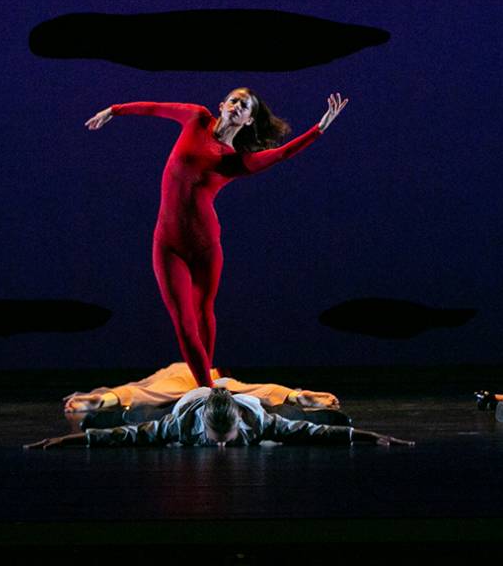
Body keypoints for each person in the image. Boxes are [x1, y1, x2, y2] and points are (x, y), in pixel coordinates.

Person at [85, 88, 347, 388]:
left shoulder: (235, 161)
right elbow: (155, 107)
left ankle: (205, 387)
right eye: (233, 100)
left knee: (203, 311)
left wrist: (320, 128)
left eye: (244, 105)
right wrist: (114, 109)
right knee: (183, 323)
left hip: (205, 247)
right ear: (221, 106)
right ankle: (207, 390)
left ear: (249, 120)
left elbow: (282, 153)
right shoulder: (196, 117)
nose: (237, 105)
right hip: (168, 245)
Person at [26, 385, 412, 449]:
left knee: (332, 421)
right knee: (142, 406)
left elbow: (312, 432)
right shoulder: (179, 424)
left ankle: (296, 395)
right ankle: (107, 401)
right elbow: (124, 436)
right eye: (215, 439)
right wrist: (66, 440)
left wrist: (372, 435)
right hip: (185, 397)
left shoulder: (259, 421)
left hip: (238, 392)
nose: (221, 449)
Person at [62, 361, 345, 426]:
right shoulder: (207, 372)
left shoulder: (170, 370)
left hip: (182, 376)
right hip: (210, 375)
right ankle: (295, 396)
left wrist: (102, 395)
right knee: (241, 389)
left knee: (143, 392)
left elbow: (141, 387)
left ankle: (102, 400)